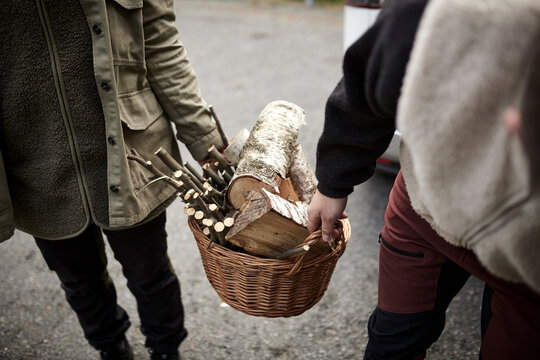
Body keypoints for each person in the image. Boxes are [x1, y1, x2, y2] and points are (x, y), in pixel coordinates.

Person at [307, 0, 540, 359]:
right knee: (392, 342)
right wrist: (333, 183)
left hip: (524, 259)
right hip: (423, 209)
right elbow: (366, 84)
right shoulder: (432, 12)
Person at [0, 0, 224, 359]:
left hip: (132, 153)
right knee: (80, 282)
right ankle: (112, 349)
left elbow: (161, 43)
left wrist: (206, 139)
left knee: (150, 274)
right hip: (35, 162)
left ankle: (166, 350)